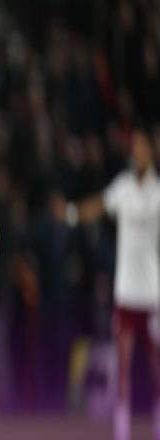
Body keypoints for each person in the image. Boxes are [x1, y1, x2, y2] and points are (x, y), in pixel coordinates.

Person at [55, 128, 160, 440]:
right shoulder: (124, 187)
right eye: (135, 148)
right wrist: (72, 213)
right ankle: (122, 431)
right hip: (126, 291)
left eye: (142, 147)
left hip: (152, 293)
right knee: (123, 362)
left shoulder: (158, 192)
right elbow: (99, 205)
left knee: (156, 366)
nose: (137, 153)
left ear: (151, 152)